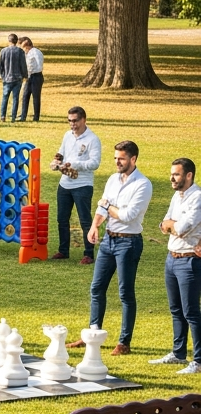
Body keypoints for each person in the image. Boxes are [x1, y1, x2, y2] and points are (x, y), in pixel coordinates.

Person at [70, 141, 153, 356]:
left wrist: (107, 206)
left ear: (133, 159)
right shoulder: (112, 179)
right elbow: (102, 207)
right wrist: (95, 225)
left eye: (122, 158)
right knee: (97, 288)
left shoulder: (143, 184)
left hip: (129, 242)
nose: (117, 162)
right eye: (116, 158)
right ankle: (92, 333)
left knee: (125, 293)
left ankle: (124, 342)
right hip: (108, 240)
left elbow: (127, 216)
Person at [151, 159, 201, 372]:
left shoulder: (197, 198)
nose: (172, 178)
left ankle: (198, 361)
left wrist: (171, 225)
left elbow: (182, 228)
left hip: (189, 260)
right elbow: (164, 223)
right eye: (172, 173)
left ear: (189, 175)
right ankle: (178, 353)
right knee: (176, 310)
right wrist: (171, 225)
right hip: (172, 258)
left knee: (191, 312)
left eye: (177, 174)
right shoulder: (176, 195)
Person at [50, 107, 102, 264]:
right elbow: (61, 152)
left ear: (83, 120)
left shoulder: (92, 139)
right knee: (62, 219)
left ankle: (88, 254)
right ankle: (63, 250)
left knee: (85, 220)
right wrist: (56, 162)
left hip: (83, 185)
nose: (72, 124)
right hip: (65, 184)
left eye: (75, 121)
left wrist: (75, 164)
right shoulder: (67, 135)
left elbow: (95, 163)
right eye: (69, 121)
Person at [0, 32, 28, 123]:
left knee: (5, 98)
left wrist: (0, 74)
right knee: (15, 98)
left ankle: (2, 116)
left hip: (7, 78)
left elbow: (1, 65)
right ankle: (13, 117)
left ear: (9, 41)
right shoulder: (20, 51)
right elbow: (23, 65)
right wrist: (25, 75)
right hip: (17, 78)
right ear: (16, 41)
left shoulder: (3, 51)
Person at [18, 37, 44, 121]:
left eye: (23, 47)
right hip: (29, 77)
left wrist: (31, 72)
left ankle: (36, 117)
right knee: (25, 96)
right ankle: (23, 116)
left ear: (27, 46)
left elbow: (39, 65)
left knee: (36, 97)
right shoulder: (27, 53)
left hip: (36, 76)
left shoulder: (36, 52)